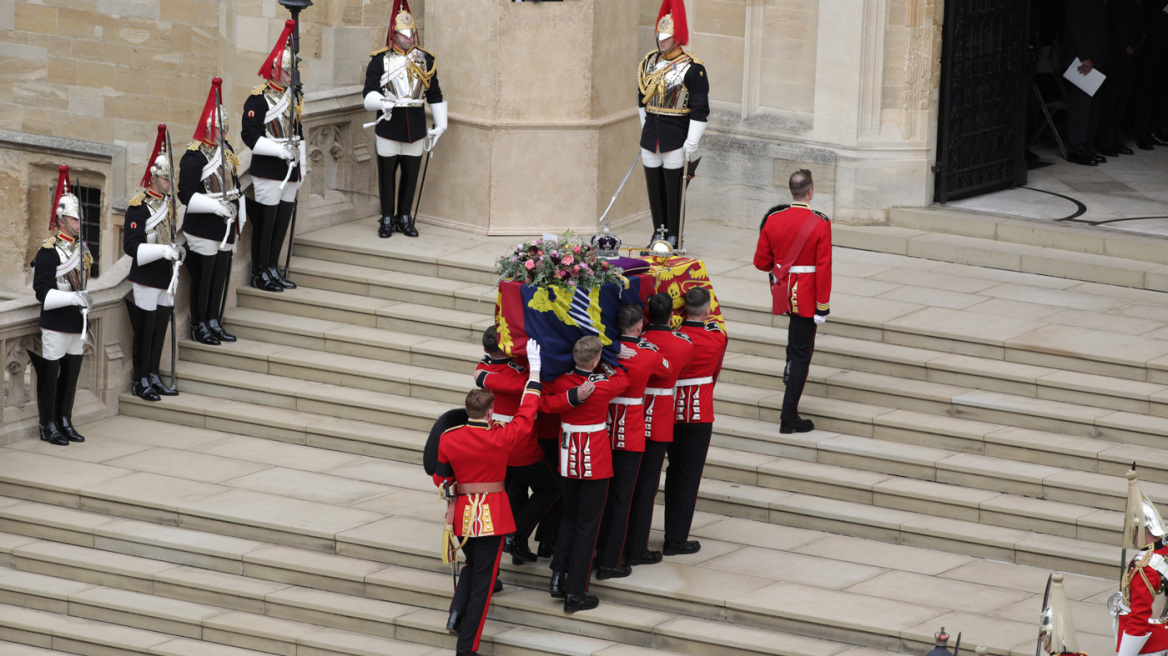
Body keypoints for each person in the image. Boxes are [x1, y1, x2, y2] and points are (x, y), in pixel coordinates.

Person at [436, 340, 543, 656]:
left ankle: (456, 612)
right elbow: (527, 410)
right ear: (491, 411)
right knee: (483, 585)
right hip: (492, 517)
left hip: (461, 516)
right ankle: (466, 648)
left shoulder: (449, 438)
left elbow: (441, 478)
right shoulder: (500, 436)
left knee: (473, 565)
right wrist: (534, 371)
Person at [542, 336, 628, 613]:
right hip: (595, 460)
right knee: (588, 525)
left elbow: (543, 403)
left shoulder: (561, 383)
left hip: (568, 458)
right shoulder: (602, 385)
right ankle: (576, 592)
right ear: (595, 360)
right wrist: (607, 364)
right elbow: (624, 378)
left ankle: (558, 575)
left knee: (569, 517)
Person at [753, 169, 832, 435]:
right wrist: (823, 305)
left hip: (784, 292)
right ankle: (789, 416)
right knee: (802, 354)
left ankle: (789, 370)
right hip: (807, 296)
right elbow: (824, 268)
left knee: (795, 344)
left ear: (792, 191)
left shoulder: (774, 219)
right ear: (810, 191)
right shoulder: (820, 222)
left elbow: (760, 262)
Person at [474, 326, 560, 566]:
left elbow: (484, 373)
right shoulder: (521, 374)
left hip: (495, 445)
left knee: (515, 489)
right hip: (520, 444)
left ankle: (516, 541)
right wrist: (534, 366)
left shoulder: (482, 370)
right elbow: (538, 386)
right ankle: (515, 534)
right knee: (551, 489)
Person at [594, 304, 668, 579]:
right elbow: (665, 371)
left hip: (601, 428)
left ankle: (597, 552)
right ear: (639, 327)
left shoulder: (604, 352)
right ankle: (612, 558)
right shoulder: (647, 354)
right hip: (630, 431)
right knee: (622, 497)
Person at [363, 0, 446, 239]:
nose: (409, 38)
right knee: (387, 175)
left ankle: (405, 217)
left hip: (416, 127)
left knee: (411, 175)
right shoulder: (379, 60)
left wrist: (441, 124)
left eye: (411, 33)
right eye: (403, 34)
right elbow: (368, 92)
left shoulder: (426, 59)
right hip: (389, 125)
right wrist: (381, 102)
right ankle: (387, 217)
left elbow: (434, 93)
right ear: (394, 34)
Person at [624, 293, 692, 565]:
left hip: (631, 413)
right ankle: (637, 544)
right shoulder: (682, 344)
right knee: (647, 484)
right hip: (660, 414)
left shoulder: (636, 342)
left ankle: (624, 539)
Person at [29, 165, 92, 446]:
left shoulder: (82, 248)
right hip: (56, 322)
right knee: (51, 376)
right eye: (74, 220)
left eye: (79, 220)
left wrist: (80, 299)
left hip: (77, 322)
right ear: (62, 219)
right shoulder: (47, 251)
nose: (79, 224)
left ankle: (65, 419)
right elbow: (42, 292)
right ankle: (48, 424)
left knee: (71, 374)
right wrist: (71, 298)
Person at [638, 0, 708, 247]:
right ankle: (658, 232)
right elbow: (642, 100)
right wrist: (645, 128)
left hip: (676, 133)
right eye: (659, 36)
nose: (661, 40)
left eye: (667, 37)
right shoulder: (649, 62)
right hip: (652, 132)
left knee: (673, 190)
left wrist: (692, 141)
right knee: (654, 187)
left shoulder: (693, 68)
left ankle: (674, 235)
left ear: (677, 38)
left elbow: (700, 109)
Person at [663, 287, 726, 555]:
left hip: (669, 411)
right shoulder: (716, 338)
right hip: (699, 413)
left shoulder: (676, 338)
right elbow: (715, 371)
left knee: (672, 471)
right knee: (688, 476)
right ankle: (676, 538)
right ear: (708, 309)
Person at [181, 77, 242, 346]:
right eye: (220, 129)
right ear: (208, 128)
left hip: (225, 224)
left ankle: (214, 320)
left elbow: (234, 182)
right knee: (204, 278)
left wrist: (236, 205)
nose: (224, 134)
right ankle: (200, 323)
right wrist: (215, 206)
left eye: (226, 129)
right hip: (203, 225)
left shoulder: (226, 151)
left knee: (220, 276)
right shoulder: (194, 156)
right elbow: (186, 193)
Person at [242, 19, 302, 292]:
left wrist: (298, 157)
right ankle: (259, 271)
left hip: (291, 168)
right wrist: (280, 150)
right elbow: (251, 136)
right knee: (266, 223)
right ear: (276, 71)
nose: (292, 76)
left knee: (282, 220)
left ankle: (273, 267)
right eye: (288, 72)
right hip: (268, 168)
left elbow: (297, 130)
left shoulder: (294, 96)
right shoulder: (258, 99)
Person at [125, 124, 183, 401]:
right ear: (153, 179)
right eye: (166, 179)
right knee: (145, 329)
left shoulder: (169, 204)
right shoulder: (138, 206)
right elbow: (132, 247)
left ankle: (154, 375)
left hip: (166, 276)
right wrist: (162, 253)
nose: (170, 184)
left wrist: (175, 253)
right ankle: (140, 379)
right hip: (147, 276)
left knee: (160, 328)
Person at [1116, 474, 1168, 656]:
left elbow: (1139, 618)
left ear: (1144, 528)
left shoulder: (1143, 567)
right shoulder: (1164, 554)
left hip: (1148, 647)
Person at [1063, 0, 1109, 166]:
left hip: (1097, 55)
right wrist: (1084, 56)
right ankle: (1077, 149)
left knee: (1094, 104)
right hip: (1083, 59)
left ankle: (1088, 147)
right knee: (1081, 105)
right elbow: (1076, 23)